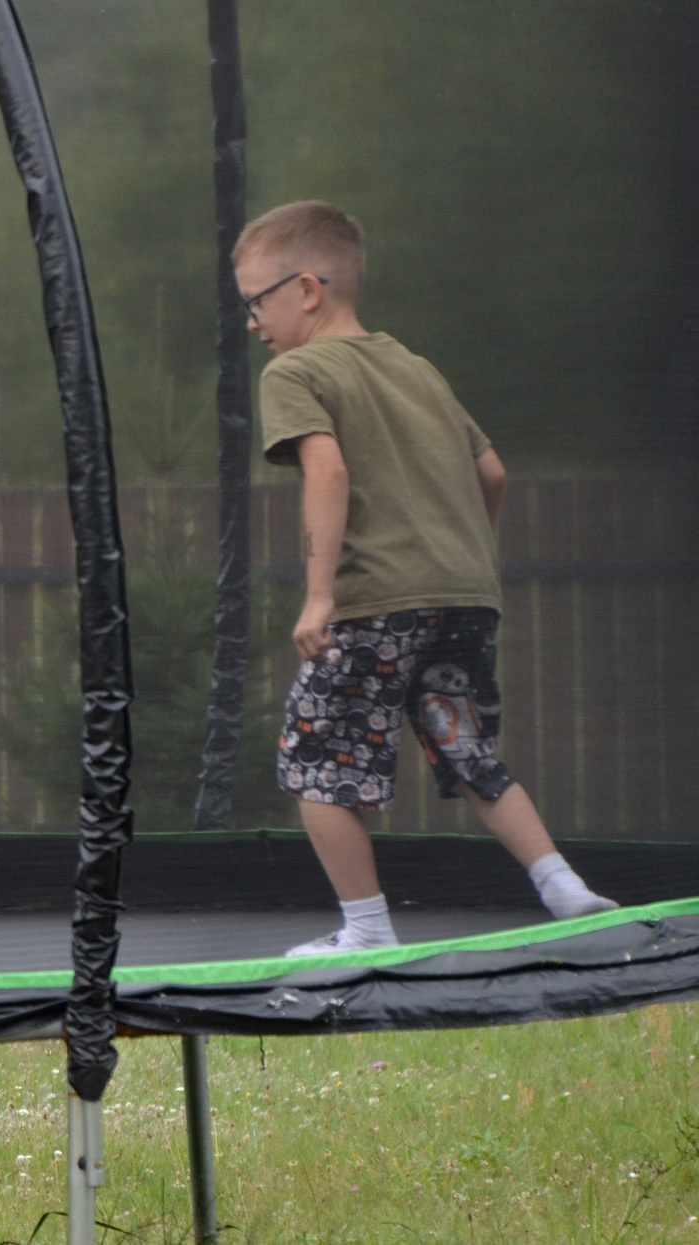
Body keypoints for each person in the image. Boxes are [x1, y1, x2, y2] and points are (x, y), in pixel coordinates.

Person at [236, 200, 617, 957]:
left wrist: (319, 594)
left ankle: (366, 930)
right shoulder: (415, 367)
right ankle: (564, 887)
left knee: (318, 758)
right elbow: (492, 470)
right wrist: (459, 553)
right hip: (464, 597)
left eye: (256, 300)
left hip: (375, 602)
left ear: (306, 289)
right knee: (466, 745)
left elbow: (328, 469)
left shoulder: (296, 370)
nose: (252, 321)